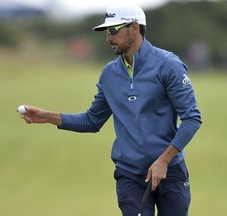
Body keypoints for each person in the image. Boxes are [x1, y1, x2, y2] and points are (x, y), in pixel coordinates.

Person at [19, 2, 202, 216]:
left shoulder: (168, 65)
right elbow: (92, 121)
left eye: (113, 30)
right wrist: (48, 117)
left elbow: (192, 118)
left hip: (170, 171)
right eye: (106, 31)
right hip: (130, 174)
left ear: (134, 28)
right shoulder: (109, 74)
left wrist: (164, 160)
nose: (108, 37)